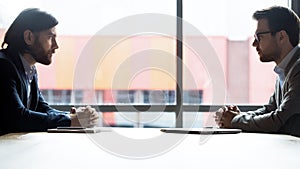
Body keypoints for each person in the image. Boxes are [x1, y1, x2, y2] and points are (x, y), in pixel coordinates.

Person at [0, 8, 99, 135]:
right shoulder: (3, 66)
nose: (56, 45)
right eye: (50, 37)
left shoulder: (29, 68)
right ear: (29, 37)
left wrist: (73, 116)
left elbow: (42, 108)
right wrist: (69, 120)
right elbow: (17, 117)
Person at [215, 6, 300, 136]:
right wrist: (237, 117)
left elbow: (278, 120)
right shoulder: (285, 70)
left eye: (259, 36)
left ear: (281, 37)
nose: (254, 43)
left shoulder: (298, 69)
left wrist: (235, 120)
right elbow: (269, 109)